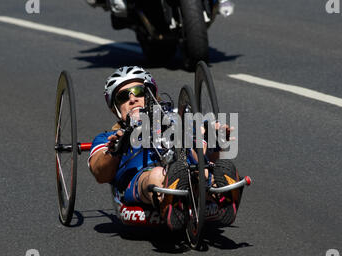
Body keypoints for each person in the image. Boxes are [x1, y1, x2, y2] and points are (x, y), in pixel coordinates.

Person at [88, 66, 242, 230]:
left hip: (189, 169)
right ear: (115, 108)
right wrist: (114, 150)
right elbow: (100, 174)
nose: (133, 99)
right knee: (156, 175)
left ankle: (221, 193)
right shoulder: (107, 138)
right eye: (123, 96)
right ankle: (172, 202)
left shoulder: (177, 120)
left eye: (139, 91)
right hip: (143, 179)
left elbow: (210, 159)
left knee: (205, 168)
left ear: (152, 95)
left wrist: (213, 139)